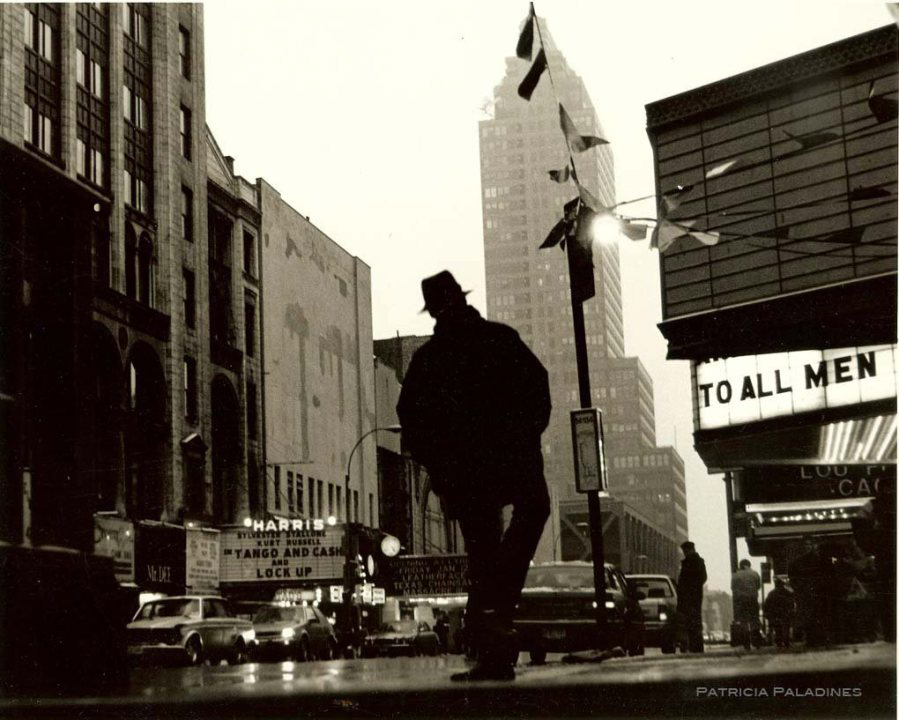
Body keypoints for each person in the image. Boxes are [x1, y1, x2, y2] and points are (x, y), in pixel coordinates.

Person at [397, 270, 551, 681]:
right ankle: (495, 628)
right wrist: (526, 435)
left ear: (434, 311)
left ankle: (492, 638)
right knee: (533, 511)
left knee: (483, 554)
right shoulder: (502, 339)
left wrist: (441, 465)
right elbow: (539, 388)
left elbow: (410, 421)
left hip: (466, 472)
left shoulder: (428, 360)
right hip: (513, 459)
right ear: (461, 300)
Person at [676, 541, 707, 653]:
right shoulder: (694, 562)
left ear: (690, 550)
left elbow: (701, 578)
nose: (684, 553)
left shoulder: (694, 562)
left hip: (691, 597)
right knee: (692, 621)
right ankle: (695, 646)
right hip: (692, 596)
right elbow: (703, 577)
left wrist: (689, 588)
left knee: (692, 621)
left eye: (686, 551)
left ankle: (695, 646)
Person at [731, 559, 762, 649]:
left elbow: (733, 588)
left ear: (740, 566)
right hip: (752, 599)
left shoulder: (735, 576)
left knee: (744, 621)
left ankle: (746, 643)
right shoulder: (755, 573)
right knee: (754, 620)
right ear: (749, 565)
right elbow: (758, 586)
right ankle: (756, 641)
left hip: (741, 601)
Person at [763, 578, 795, 648]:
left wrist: (766, 613)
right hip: (785, 613)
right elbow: (791, 603)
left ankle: (779, 642)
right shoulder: (787, 593)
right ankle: (786, 641)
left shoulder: (771, 593)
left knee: (777, 628)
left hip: (775, 614)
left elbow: (766, 604)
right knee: (786, 627)